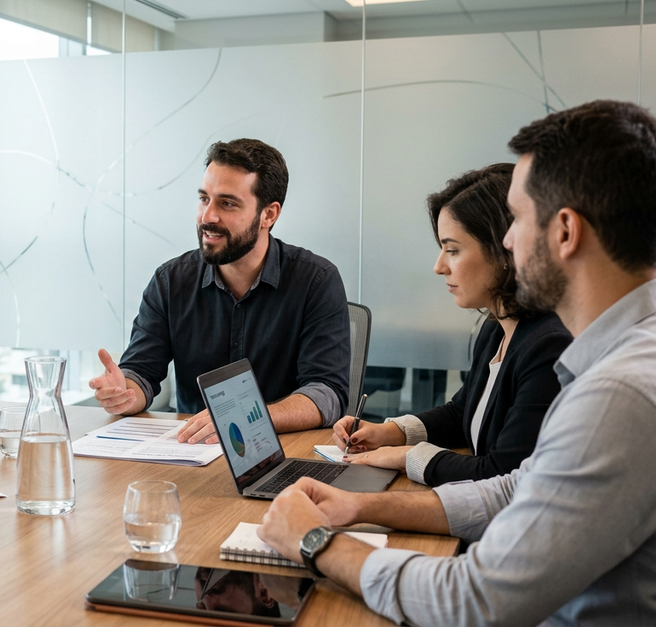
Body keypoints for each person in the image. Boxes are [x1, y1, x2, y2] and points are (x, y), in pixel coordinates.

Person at [258, 100, 656, 625]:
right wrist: (357, 506)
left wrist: (315, 542)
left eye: (516, 219)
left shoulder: (619, 394)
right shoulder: (622, 356)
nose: (509, 240)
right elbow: (519, 487)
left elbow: (474, 601)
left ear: (565, 231)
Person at [89, 138, 350, 441]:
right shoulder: (170, 281)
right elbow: (141, 374)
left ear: (269, 214)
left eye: (227, 203)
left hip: (285, 453)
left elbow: (326, 393)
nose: (207, 217)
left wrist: (247, 419)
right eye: (204, 199)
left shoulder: (316, 281)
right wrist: (125, 393)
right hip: (190, 451)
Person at [331, 164, 570, 486]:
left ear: (505, 249)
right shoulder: (498, 327)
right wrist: (390, 432)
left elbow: (502, 474)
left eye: (453, 250)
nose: (439, 266)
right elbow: (462, 413)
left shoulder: (549, 346)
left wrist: (406, 456)